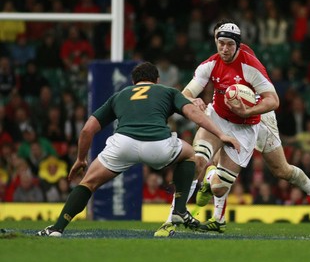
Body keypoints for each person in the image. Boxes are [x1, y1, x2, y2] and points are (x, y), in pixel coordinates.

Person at [155, 20, 310, 236]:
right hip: (218, 118)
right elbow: (185, 93)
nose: (224, 48)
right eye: (220, 43)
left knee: (279, 170)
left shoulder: (250, 66)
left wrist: (247, 111)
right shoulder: (209, 64)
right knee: (197, 160)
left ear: (237, 44)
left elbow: (273, 100)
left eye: (229, 44)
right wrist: (193, 100)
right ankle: (171, 220)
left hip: (254, 120)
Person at [37, 62, 240, 237]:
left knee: (88, 183)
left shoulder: (120, 95)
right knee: (189, 154)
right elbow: (193, 114)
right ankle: (179, 210)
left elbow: (87, 130)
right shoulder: (167, 91)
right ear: (157, 79)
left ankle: (57, 228)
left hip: (122, 144)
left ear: (134, 82)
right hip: (158, 145)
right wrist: (221, 134)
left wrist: (81, 159)